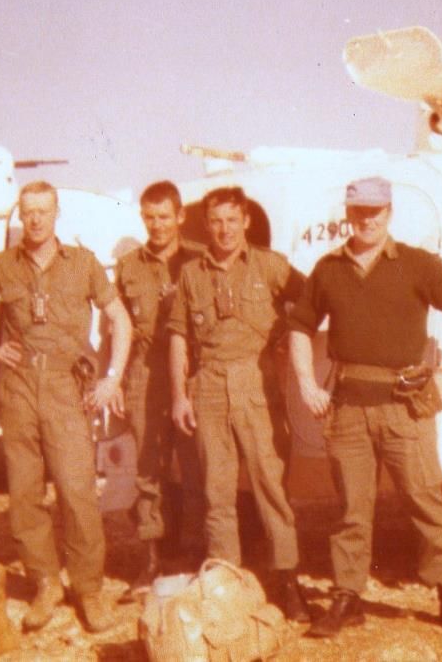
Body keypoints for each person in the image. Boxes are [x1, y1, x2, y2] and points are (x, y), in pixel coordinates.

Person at [288, 176, 442, 637]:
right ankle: (348, 596)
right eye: (359, 211)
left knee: (425, 499)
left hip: (404, 406)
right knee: (352, 510)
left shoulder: (416, 264)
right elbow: (299, 327)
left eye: (375, 211)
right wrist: (307, 383)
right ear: (348, 214)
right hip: (348, 408)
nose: (367, 219)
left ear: (389, 213)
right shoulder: (328, 269)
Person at [0, 180, 132, 633]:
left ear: (56, 213)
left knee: (76, 490)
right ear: (20, 214)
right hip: (18, 389)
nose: (35, 220)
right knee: (25, 493)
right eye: (28, 211)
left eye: (43, 211)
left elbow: (119, 318)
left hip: (66, 389)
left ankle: (88, 589)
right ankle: (46, 583)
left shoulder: (83, 264)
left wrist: (112, 377)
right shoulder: (2, 267)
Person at [167, 185, 309, 622]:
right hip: (208, 385)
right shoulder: (191, 274)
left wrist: (288, 335)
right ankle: (226, 584)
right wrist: (179, 395)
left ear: (246, 221)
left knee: (271, 485)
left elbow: (311, 302)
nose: (224, 229)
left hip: (256, 383)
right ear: (206, 225)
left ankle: (287, 582)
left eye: (232, 220)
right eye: (216, 221)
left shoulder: (270, 265)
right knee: (218, 490)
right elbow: (178, 335)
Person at [114, 180, 205, 596]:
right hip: (145, 375)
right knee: (149, 470)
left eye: (165, 217)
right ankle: (152, 560)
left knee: (197, 467)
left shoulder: (199, 261)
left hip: (191, 374)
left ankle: (198, 553)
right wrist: (114, 377)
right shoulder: (128, 267)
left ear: (180, 216)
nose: (157, 225)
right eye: (149, 218)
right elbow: (117, 328)